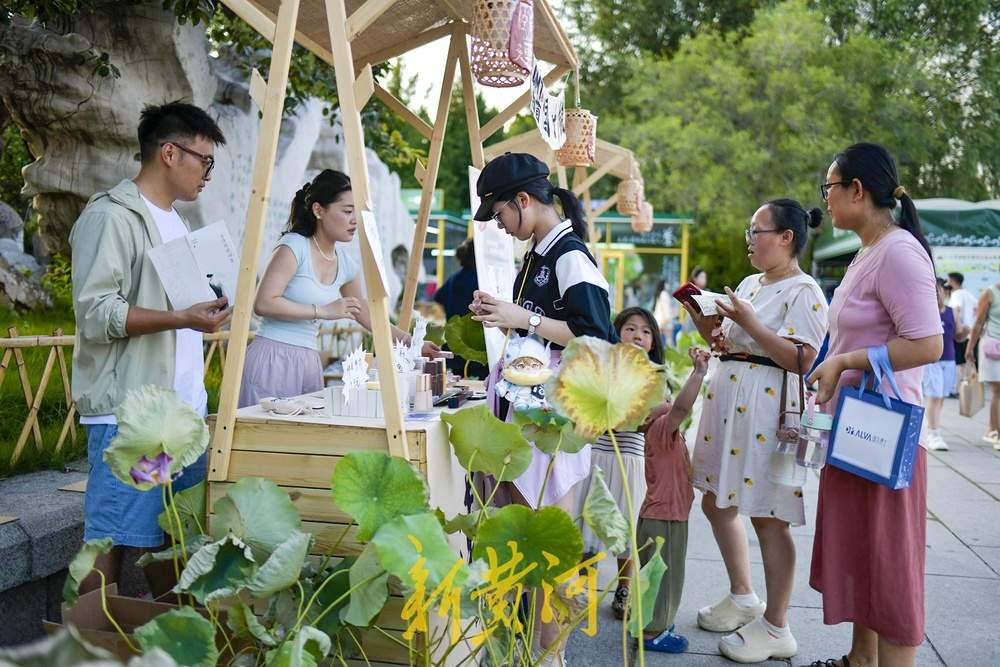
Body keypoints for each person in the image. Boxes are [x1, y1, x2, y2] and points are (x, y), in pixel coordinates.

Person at [71, 101, 231, 594]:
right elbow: (96, 313)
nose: (207, 173)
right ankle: (82, 648)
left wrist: (197, 317)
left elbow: (171, 313)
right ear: (168, 152)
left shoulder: (175, 222)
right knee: (111, 541)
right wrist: (181, 317)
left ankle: (168, 642)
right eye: (203, 160)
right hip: (132, 417)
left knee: (172, 540)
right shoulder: (110, 217)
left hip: (179, 415)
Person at [468, 152, 615, 664]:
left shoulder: (570, 256)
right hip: (526, 417)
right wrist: (504, 316)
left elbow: (597, 338)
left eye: (502, 215)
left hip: (551, 426)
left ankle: (550, 657)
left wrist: (521, 319)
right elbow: (538, 324)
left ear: (523, 201)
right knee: (519, 542)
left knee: (547, 550)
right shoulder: (539, 252)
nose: (502, 227)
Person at [807, 143, 943, 667]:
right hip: (854, 431)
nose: (827, 201)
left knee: (890, 571)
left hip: (885, 439)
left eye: (830, 189)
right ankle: (859, 659)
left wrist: (848, 363)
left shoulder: (899, 252)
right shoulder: (870, 251)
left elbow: (927, 343)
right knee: (864, 557)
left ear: (856, 191)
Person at [685, 198, 828, 663]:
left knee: (769, 516)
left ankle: (778, 625)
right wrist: (705, 320)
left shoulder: (805, 291)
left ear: (786, 237)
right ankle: (744, 594)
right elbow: (725, 341)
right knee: (715, 500)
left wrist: (747, 320)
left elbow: (803, 360)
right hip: (731, 403)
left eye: (757, 230)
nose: (750, 239)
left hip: (770, 412)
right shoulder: (751, 282)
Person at [239, 169, 439, 408]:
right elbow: (263, 303)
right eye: (347, 211)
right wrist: (321, 310)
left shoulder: (345, 264)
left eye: (357, 211)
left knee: (305, 442)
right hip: (272, 357)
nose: (355, 220)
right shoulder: (294, 247)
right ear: (318, 210)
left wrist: (412, 342)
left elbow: (366, 314)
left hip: (309, 362)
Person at [581, 307, 665, 619]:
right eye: (630, 328)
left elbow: (655, 416)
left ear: (653, 342)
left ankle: (624, 587)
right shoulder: (603, 368)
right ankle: (579, 588)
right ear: (616, 335)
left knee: (626, 529)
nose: (637, 335)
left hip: (631, 459)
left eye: (645, 331)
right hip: (596, 454)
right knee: (585, 524)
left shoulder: (655, 375)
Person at [637, 346, 711, 654]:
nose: (667, 399)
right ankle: (654, 632)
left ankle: (655, 624)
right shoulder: (659, 428)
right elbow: (682, 407)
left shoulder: (666, 432)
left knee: (662, 576)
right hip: (664, 519)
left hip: (665, 516)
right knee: (664, 578)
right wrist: (698, 373)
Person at [434, 238, 486, 378]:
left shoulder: (454, 278)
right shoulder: (483, 280)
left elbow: (438, 297)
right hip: (477, 351)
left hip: (454, 345)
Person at [922, 278, 957, 451]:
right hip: (931, 360)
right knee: (934, 397)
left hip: (949, 359)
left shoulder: (952, 312)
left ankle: (931, 424)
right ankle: (933, 434)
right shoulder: (926, 311)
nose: (938, 294)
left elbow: (958, 335)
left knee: (940, 398)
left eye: (941, 290)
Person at [966, 279, 1000, 447]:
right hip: (993, 348)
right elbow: (979, 322)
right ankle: (996, 433)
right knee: (998, 390)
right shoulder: (990, 293)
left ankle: (992, 428)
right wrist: (970, 347)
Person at [948, 272, 977, 388]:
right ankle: (964, 387)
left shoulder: (956, 294)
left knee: (957, 362)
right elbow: (977, 309)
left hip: (959, 334)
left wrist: (957, 328)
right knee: (965, 362)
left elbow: (956, 309)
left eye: (948, 281)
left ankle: (956, 388)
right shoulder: (969, 295)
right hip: (969, 333)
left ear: (953, 282)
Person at [652, 279, 676, 345]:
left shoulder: (659, 294)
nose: (668, 285)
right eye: (666, 283)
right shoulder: (664, 294)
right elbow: (666, 309)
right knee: (669, 340)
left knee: (658, 341)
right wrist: (668, 319)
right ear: (664, 285)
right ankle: (669, 354)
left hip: (659, 320)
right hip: (665, 321)